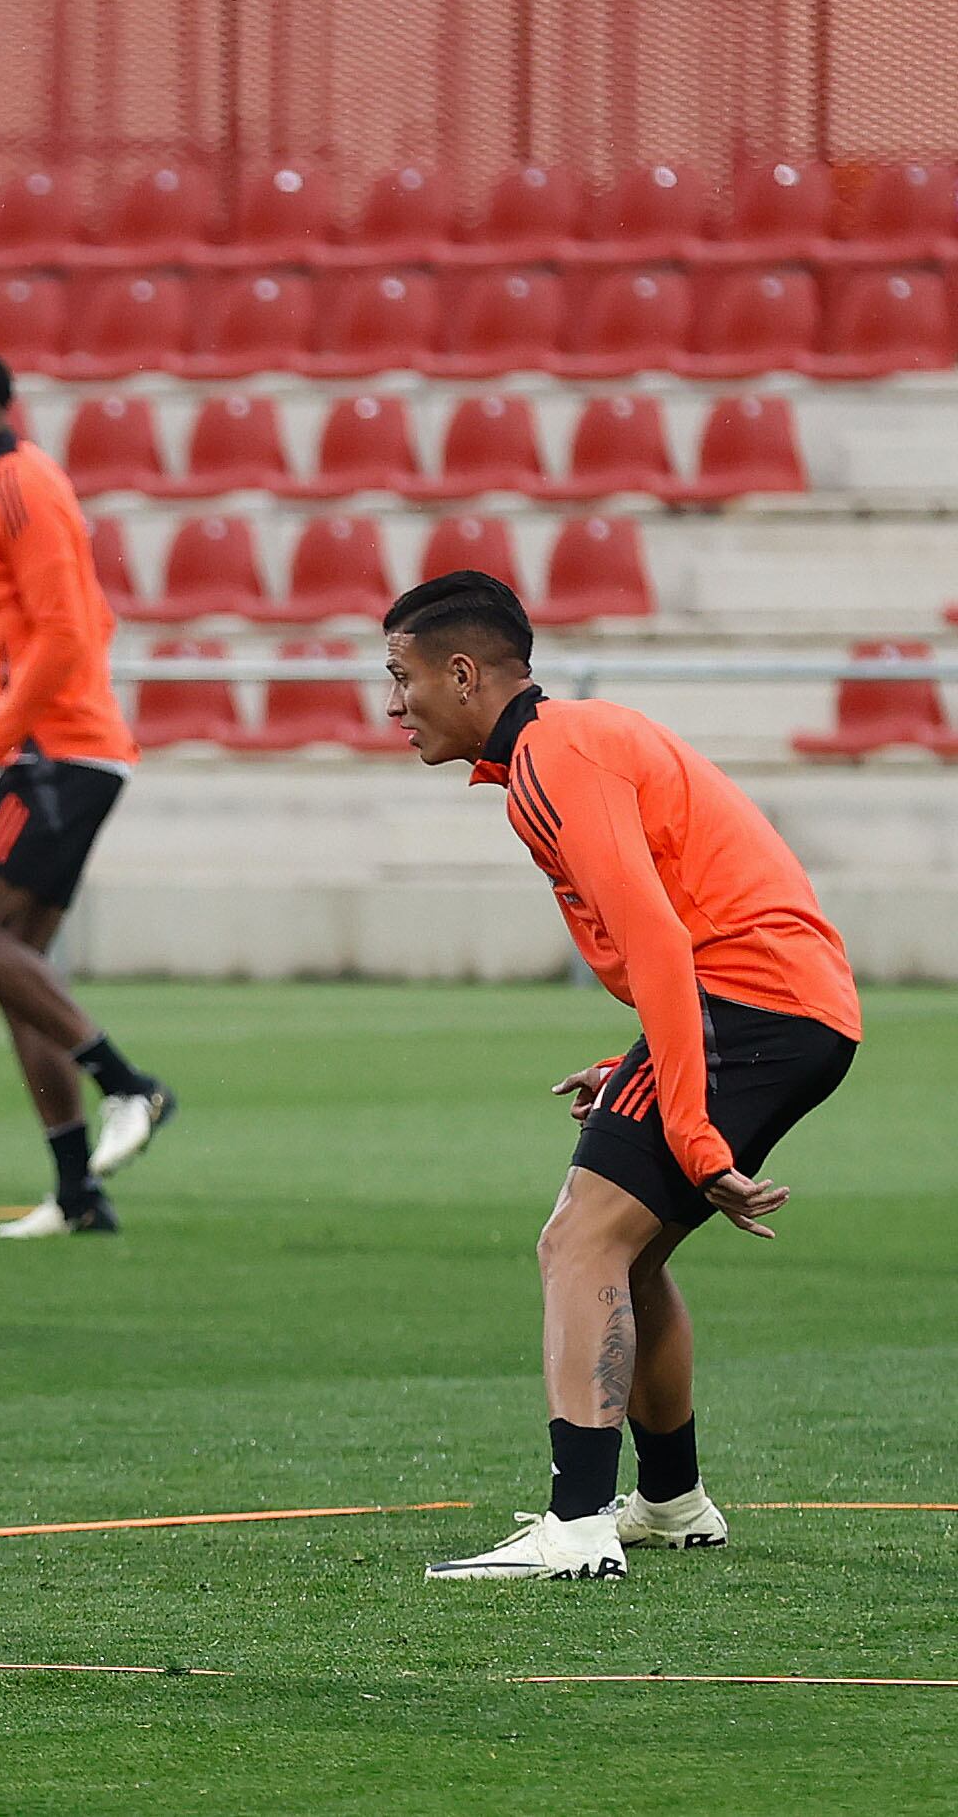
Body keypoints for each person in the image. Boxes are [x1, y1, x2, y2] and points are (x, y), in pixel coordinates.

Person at [386, 573, 861, 1583]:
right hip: (769, 1003)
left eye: (402, 675)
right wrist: (640, 1065)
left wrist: (687, 1122)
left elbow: (655, 934)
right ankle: (672, 1501)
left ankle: (575, 1522)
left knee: (578, 1239)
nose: (394, 703)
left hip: (751, 1004)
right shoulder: (553, 752)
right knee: (627, 1253)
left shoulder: (557, 751)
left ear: (462, 672)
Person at [0, 340, 172, 1240]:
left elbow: (63, 638)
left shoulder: (21, 485)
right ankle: (78, 1191)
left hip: (57, 755)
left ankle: (130, 1084)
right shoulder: (1, 490)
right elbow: (90, 616)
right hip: (58, 751)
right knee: (17, 966)